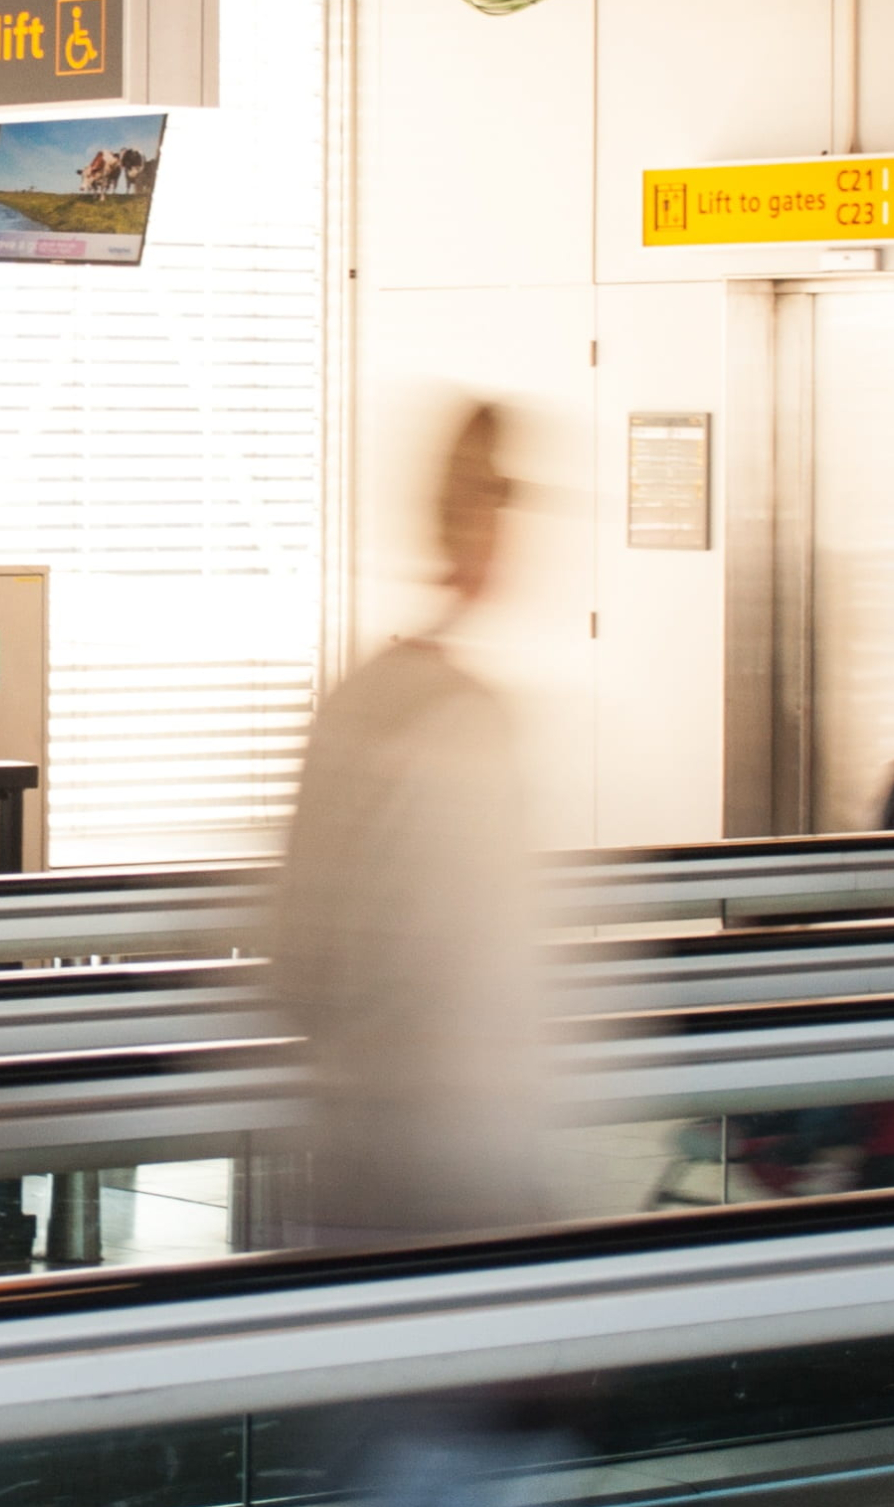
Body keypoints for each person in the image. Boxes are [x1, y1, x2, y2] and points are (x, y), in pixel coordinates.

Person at [269, 399, 564, 1497]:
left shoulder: (355, 702)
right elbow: (490, 1005)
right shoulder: (465, 727)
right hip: (458, 1202)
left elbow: (297, 959)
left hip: (349, 1181)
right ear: (488, 524)